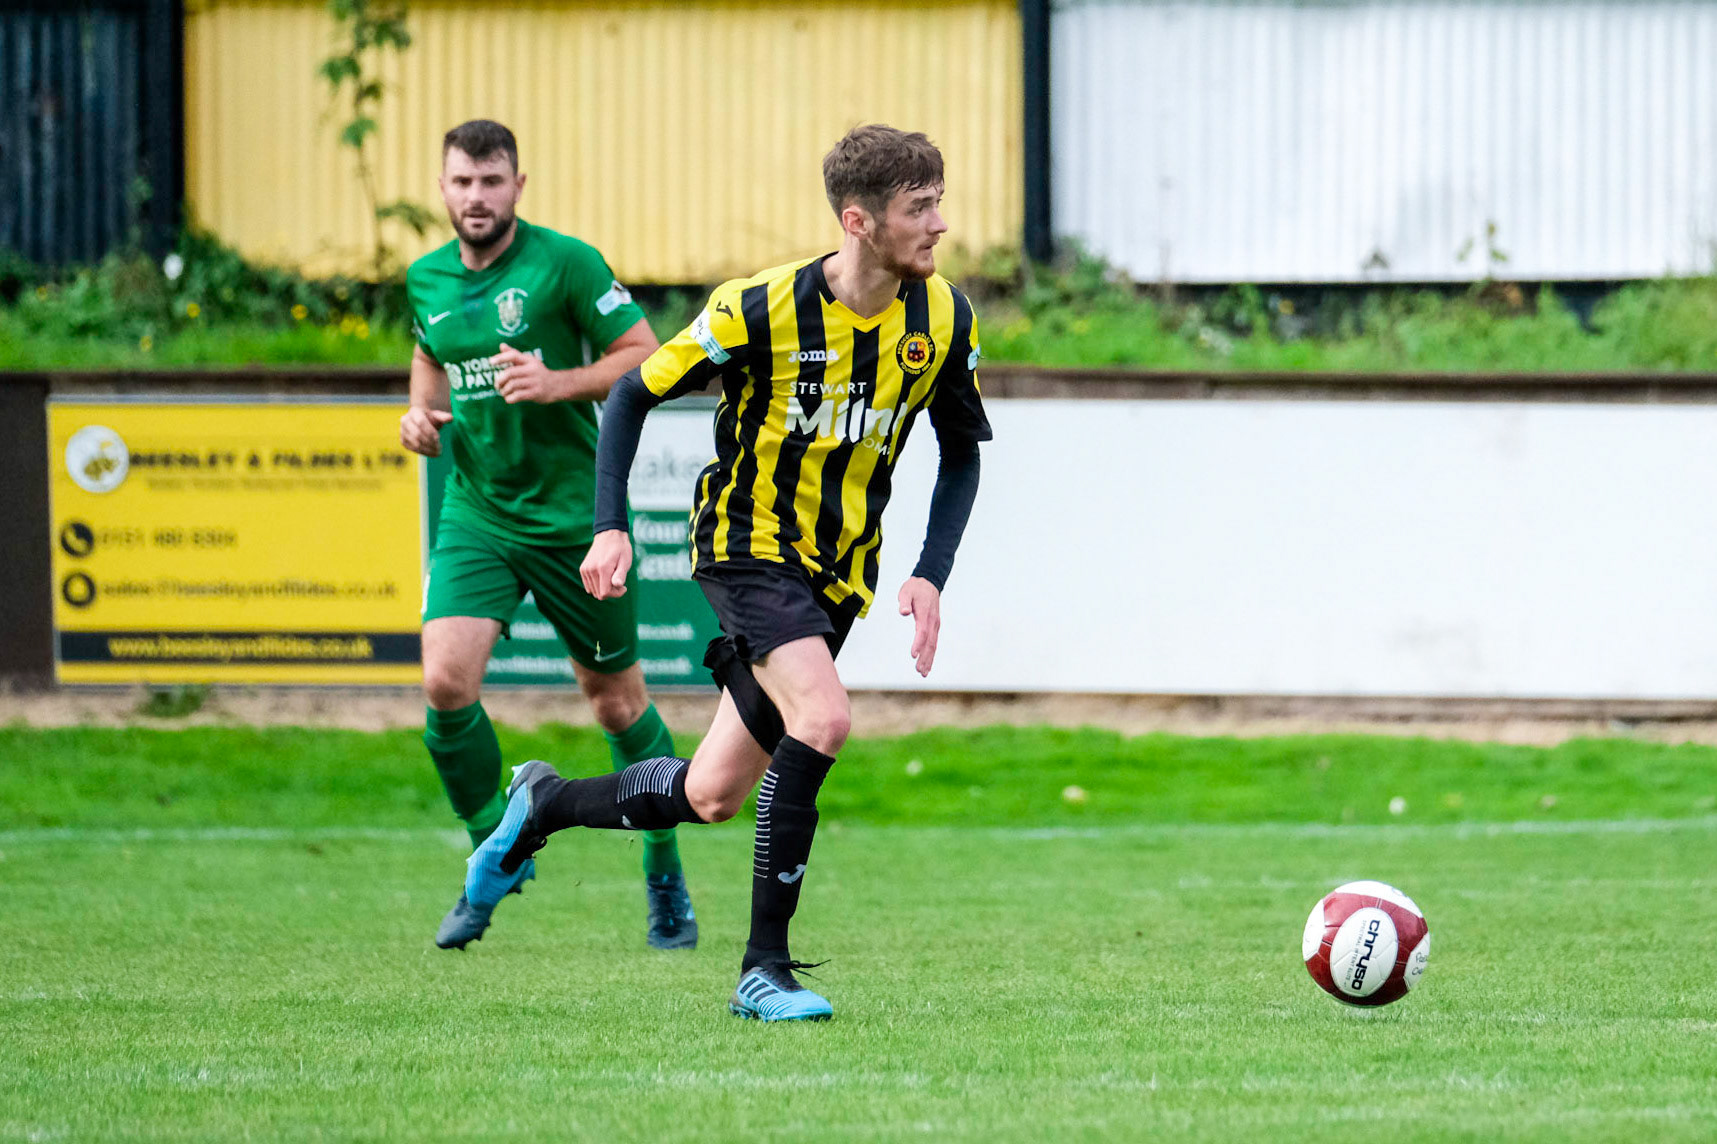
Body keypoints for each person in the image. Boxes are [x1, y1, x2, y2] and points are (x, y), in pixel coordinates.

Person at [446, 124, 991, 1020]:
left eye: (937, 202)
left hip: (838, 572)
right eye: (918, 208)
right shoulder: (758, 308)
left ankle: (541, 803)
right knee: (824, 715)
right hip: (746, 544)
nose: (938, 224)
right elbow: (633, 390)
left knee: (707, 794)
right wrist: (609, 526)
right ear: (858, 221)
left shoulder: (943, 320)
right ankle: (762, 971)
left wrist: (930, 572)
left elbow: (961, 451)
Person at [401, 119, 697, 952]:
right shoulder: (424, 278)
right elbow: (428, 365)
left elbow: (646, 353)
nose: (476, 198)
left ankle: (664, 876)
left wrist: (559, 380)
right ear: (443, 188)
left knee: (617, 702)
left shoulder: (565, 262)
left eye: (492, 182)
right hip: (478, 513)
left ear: (518, 186)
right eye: (462, 183)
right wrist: (420, 420)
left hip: (575, 518)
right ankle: (493, 843)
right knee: (444, 682)